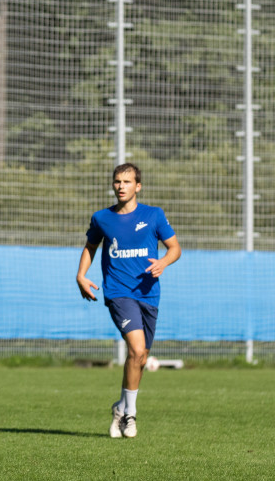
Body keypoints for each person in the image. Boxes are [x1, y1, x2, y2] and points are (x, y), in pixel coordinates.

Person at [76, 163, 181, 438]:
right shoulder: (102, 218)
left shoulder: (154, 215)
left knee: (141, 356)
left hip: (149, 293)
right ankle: (130, 416)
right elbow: (90, 247)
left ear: (138, 186)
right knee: (136, 348)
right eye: (117, 181)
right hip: (118, 293)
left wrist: (163, 262)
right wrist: (81, 275)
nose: (121, 186)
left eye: (127, 181)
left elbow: (174, 248)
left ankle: (120, 408)